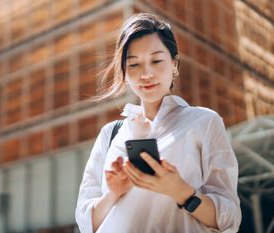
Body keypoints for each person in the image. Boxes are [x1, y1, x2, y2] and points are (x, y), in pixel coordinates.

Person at [75, 13, 241, 233]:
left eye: (156, 60)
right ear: (124, 73)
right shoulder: (111, 134)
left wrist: (181, 192)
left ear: (174, 63)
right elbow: (87, 223)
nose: (146, 74)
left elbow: (229, 218)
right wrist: (113, 193)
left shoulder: (204, 122)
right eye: (134, 64)